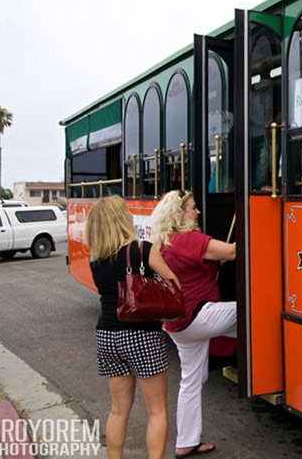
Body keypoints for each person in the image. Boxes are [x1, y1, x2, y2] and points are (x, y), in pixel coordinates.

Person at [86, 196, 180, 459]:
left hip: (106, 335)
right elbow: (174, 286)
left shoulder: (96, 258)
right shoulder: (142, 249)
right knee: (157, 410)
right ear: (122, 219)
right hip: (141, 335)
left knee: (118, 409)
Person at [151, 190, 236, 459]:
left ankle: (186, 442)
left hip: (178, 325)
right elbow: (233, 252)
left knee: (191, 380)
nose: (197, 212)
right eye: (192, 208)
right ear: (179, 214)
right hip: (199, 316)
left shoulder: (164, 241)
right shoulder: (187, 239)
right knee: (255, 314)